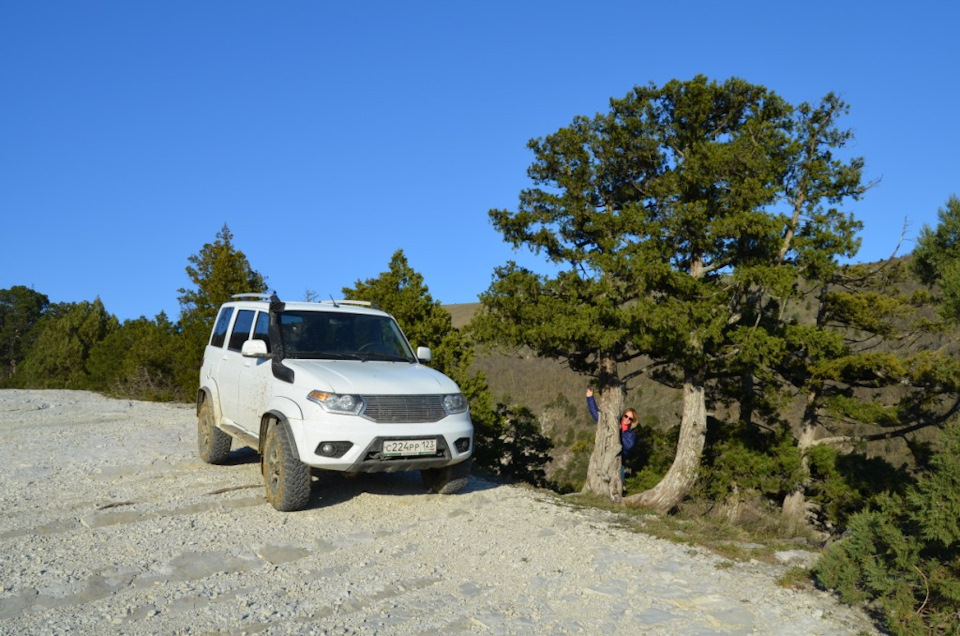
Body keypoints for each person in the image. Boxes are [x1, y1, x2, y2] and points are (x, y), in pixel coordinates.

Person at [585, 388, 638, 486]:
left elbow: (628, 446)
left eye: (630, 418)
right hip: (602, 458)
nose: (627, 419)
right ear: (622, 415)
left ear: (633, 421)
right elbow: (597, 416)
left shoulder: (631, 434)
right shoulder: (614, 422)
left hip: (618, 463)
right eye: (626, 416)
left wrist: (619, 432)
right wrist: (590, 397)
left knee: (616, 488)